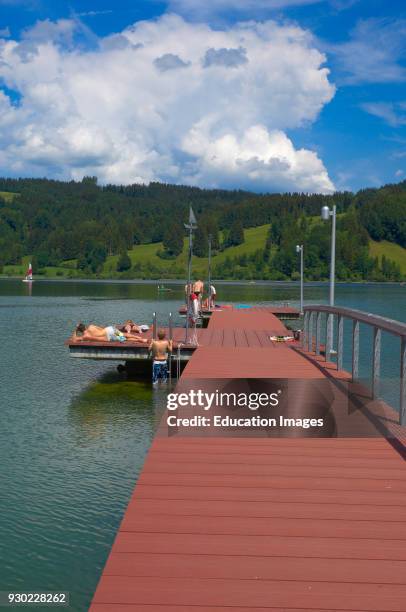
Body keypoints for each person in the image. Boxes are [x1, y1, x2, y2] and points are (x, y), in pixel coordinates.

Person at [74, 322, 147, 343]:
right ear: (84, 326)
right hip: (109, 329)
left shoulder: (85, 336)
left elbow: (74, 339)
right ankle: (139, 337)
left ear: (80, 330)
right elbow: (101, 328)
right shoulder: (91, 326)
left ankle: (140, 340)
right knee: (124, 335)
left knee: (124, 339)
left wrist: (75, 330)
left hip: (108, 335)